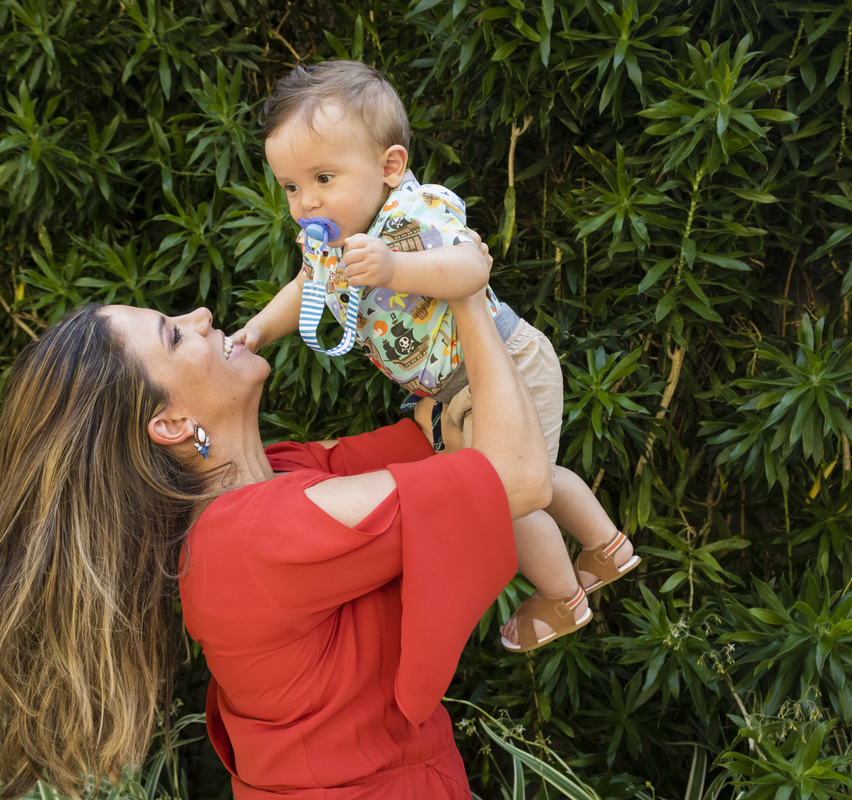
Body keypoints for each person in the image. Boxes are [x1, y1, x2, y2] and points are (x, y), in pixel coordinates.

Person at [0, 236, 580, 798]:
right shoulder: (256, 534)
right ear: (172, 423)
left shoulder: (285, 474)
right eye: (174, 335)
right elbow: (516, 477)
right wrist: (466, 294)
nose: (201, 316)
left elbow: (443, 435)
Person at [230, 60, 639, 651]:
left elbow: (471, 268)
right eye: (291, 187)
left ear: (389, 166)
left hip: (505, 364)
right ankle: (606, 547)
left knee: (505, 497)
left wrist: (395, 268)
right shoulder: (334, 241)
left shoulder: (413, 213)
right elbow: (306, 287)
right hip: (457, 386)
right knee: (526, 481)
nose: (306, 202)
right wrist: (259, 330)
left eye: (323, 178)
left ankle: (561, 596)